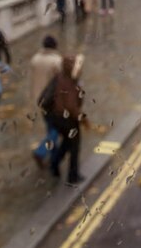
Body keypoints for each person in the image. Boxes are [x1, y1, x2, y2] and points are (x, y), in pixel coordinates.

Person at [48, 55, 87, 185]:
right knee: (75, 146)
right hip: (68, 120)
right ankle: (73, 176)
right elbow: (71, 106)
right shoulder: (70, 82)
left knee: (66, 142)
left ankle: (54, 162)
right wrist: (82, 118)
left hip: (57, 118)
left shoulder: (60, 78)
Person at [30, 36, 62, 169]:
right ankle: (41, 151)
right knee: (57, 129)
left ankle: (53, 158)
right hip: (53, 100)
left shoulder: (35, 59)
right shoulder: (57, 61)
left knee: (50, 127)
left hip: (40, 99)